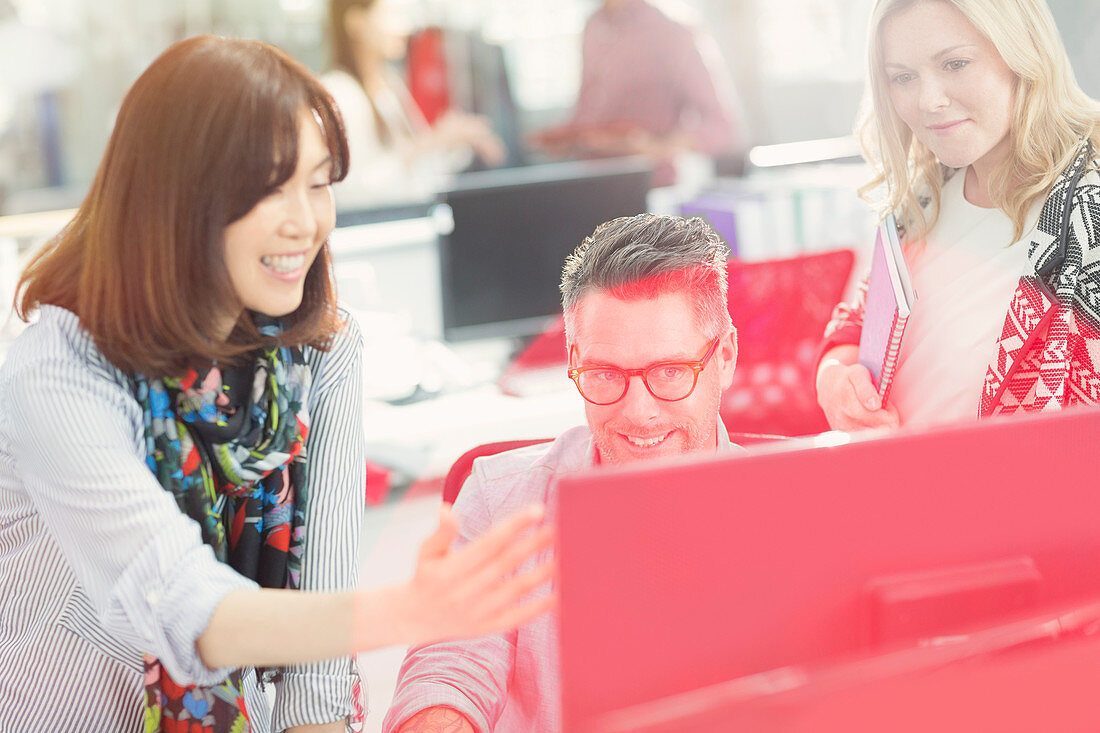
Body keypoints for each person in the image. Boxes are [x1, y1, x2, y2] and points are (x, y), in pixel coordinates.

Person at [0, 36, 554, 732]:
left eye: (318, 182)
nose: (305, 220)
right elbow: (181, 604)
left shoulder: (322, 351)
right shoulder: (60, 369)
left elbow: (316, 685)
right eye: (267, 187)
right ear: (177, 196)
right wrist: (408, 609)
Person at [382, 214, 742, 733]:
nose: (639, 413)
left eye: (669, 372)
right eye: (604, 374)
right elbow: (449, 671)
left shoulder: (802, 517)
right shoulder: (500, 497)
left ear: (724, 357)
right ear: (574, 361)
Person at [815, 0, 1100, 431]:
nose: (929, 101)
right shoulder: (922, 198)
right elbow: (858, 323)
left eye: (956, 63)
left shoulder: (1088, 216)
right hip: (898, 488)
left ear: (1023, 53)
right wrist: (835, 377)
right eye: (903, 77)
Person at [531, 0, 741, 184]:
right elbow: (588, 110)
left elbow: (720, 125)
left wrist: (656, 147)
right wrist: (565, 138)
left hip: (648, 189)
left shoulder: (673, 30)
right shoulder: (593, 25)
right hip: (591, 182)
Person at [322, 0, 505, 207]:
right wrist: (430, 142)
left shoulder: (390, 84)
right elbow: (352, 191)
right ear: (357, 22)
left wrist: (454, 141)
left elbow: (421, 174)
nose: (406, 27)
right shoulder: (339, 92)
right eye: (394, 14)